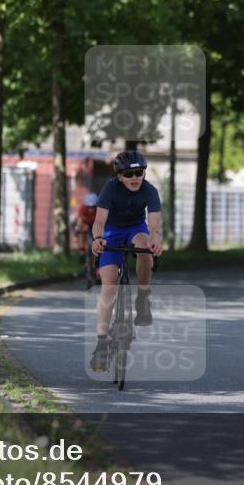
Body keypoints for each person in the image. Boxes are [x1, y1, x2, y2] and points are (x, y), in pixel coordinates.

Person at [89, 150, 163, 372]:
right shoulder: (111, 188)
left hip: (136, 229)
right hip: (111, 230)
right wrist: (98, 239)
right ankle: (102, 344)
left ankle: (143, 296)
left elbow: (155, 226)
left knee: (144, 248)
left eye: (139, 173)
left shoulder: (150, 191)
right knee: (108, 287)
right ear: (119, 176)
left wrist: (156, 241)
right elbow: (99, 220)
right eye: (128, 174)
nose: (134, 178)